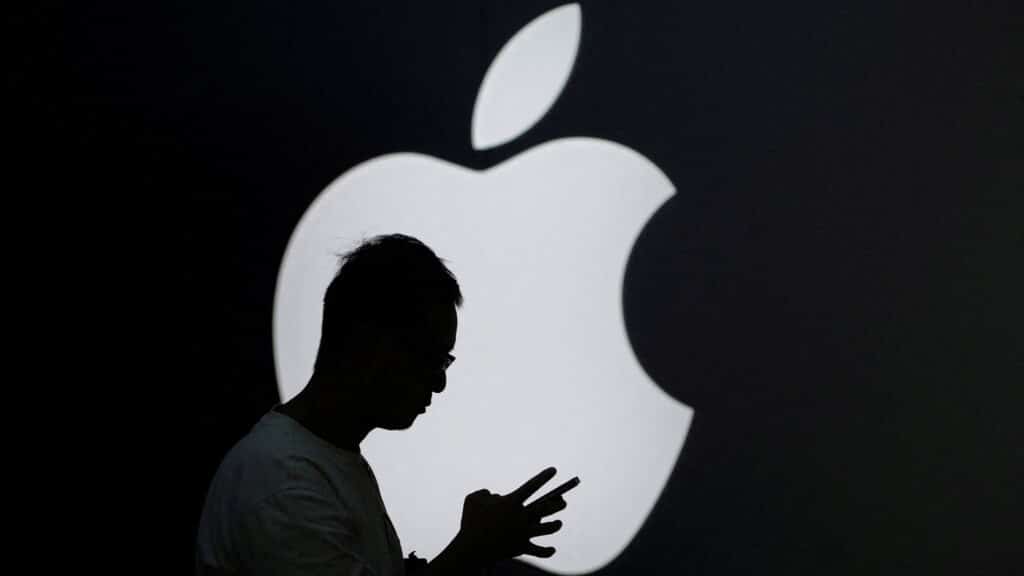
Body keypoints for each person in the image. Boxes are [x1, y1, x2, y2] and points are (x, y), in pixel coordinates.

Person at [196, 233, 579, 576]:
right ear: (368, 344)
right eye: (431, 357)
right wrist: (469, 553)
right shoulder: (283, 482)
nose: (440, 382)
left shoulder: (318, 462)